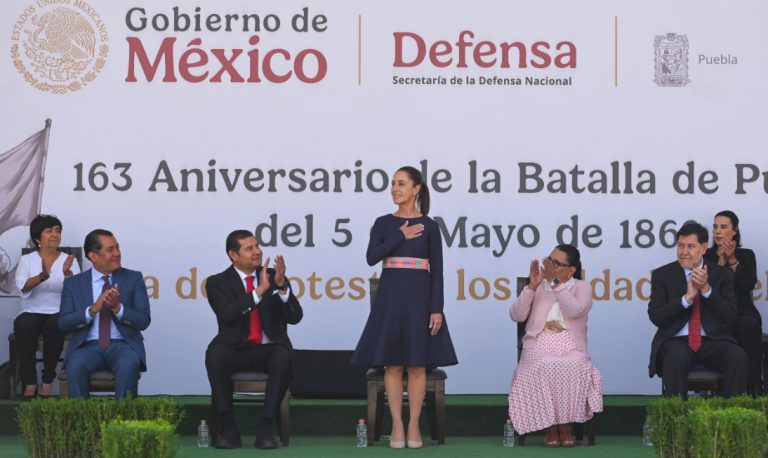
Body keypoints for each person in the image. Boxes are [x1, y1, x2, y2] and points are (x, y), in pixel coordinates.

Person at [351, 166, 458, 449]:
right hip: (390, 298)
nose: (395, 189)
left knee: (417, 364)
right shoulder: (383, 223)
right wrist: (401, 235)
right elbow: (372, 257)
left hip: (420, 299)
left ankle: (414, 426)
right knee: (394, 364)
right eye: (392, 184)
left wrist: (437, 308)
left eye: (401, 184)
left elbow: (438, 272)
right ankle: (397, 425)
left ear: (416, 189)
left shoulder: (431, 226)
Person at [205, 230, 303, 450]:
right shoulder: (216, 282)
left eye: (257, 246)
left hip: (267, 349)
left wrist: (280, 287)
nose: (257, 251)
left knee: (283, 355)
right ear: (233, 255)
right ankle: (228, 428)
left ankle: (266, 427)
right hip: (234, 349)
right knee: (215, 354)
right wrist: (259, 291)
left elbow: (295, 317)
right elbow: (227, 315)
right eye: (249, 248)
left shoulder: (273, 276)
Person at [508, 244, 603, 448]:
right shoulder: (539, 286)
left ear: (572, 270)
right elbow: (516, 315)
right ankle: (551, 427)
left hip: (570, 344)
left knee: (575, 365)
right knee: (544, 364)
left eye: (556, 264)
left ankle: (566, 427)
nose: (549, 266)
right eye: (549, 261)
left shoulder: (582, 287)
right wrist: (532, 288)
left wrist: (555, 283)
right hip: (539, 342)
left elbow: (575, 311)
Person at [648, 222, 747, 398]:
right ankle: (677, 420)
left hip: (713, 340)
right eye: (680, 246)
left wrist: (707, 290)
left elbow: (729, 316)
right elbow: (656, 317)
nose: (684, 252)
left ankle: (730, 417)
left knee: (737, 356)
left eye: (691, 246)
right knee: (674, 358)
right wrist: (686, 299)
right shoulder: (662, 275)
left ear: (704, 248)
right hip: (676, 342)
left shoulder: (721, 274)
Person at [58, 229, 151, 399]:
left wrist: (117, 308)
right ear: (93, 256)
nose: (117, 253)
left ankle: (123, 423)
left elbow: (143, 321)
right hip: (87, 346)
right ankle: (82, 423)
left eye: (117, 248)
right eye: (110, 250)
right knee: (75, 365)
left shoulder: (133, 278)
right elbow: (64, 322)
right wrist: (93, 309)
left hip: (122, 345)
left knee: (128, 363)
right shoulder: (73, 284)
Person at [13, 214, 80, 398]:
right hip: (31, 310)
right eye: (49, 231)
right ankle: (30, 381)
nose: (55, 235)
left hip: (58, 310)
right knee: (23, 325)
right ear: (37, 239)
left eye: (57, 230)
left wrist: (67, 275)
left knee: (55, 324)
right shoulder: (28, 260)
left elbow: (77, 292)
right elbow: (22, 286)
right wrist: (42, 276)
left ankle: (48, 380)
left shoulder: (69, 260)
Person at [704, 210, 763, 395]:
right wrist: (721, 260)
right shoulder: (706, 256)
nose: (718, 231)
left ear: (734, 231)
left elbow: (746, 284)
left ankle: (754, 384)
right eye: (715, 227)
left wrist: (732, 260)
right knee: (723, 326)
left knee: (748, 325)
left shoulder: (747, 255)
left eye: (723, 227)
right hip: (716, 314)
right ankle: (725, 388)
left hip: (742, 312)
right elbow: (710, 288)